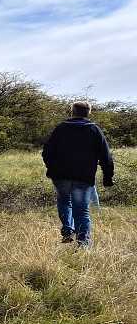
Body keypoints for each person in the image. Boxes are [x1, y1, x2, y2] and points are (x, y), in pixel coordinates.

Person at [41, 100, 115, 246]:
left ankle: (68, 230)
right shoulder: (94, 129)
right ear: (88, 113)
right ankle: (83, 244)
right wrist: (108, 177)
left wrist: (53, 169)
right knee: (81, 210)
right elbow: (106, 157)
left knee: (64, 201)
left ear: (72, 112)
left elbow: (46, 152)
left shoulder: (61, 128)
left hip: (60, 176)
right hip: (83, 177)